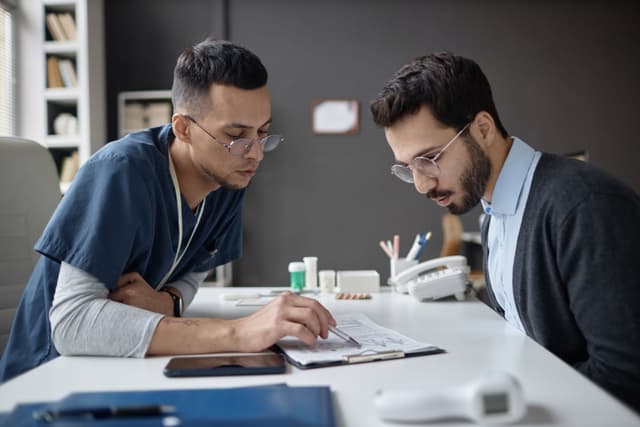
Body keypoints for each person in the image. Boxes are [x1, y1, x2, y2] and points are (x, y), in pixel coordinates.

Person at [0, 39, 335, 382]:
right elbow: (72, 323)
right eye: (236, 136)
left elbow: (198, 264)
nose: (255, 154)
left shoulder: (229, 176)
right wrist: (237, 333)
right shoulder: (120, 173)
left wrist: (171, 302)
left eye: (262, 133)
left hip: (130, 366)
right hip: (52, 376)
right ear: (183, 128)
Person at [370, 52, 640, 412]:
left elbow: (625, 376)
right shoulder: (494, 214)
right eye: (407, 168)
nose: (421, 185)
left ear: (482, 129)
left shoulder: (583, 206)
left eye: (430, 159)